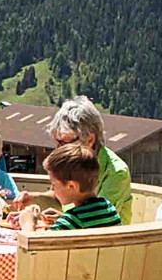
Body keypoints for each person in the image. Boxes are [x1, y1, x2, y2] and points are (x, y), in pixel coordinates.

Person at [48, 94, 135, 223]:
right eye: (57, 142)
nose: (59, 149)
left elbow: (97, 220)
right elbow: (56, 197)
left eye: (65, 143)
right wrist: (31, 200)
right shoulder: (70, 165)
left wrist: (62, 221)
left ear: (90, 140)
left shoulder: (117, 172)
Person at [42, 141, 122, 231]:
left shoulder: (72, 221)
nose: (52, 188)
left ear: (71, 186)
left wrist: (28, 222)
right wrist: (62, 219)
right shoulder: (108, 207)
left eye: (54, 184)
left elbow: (37, 243)